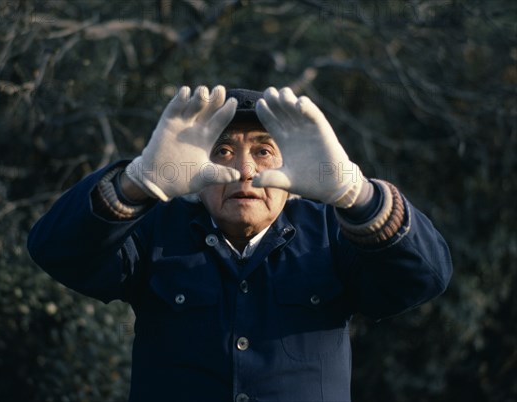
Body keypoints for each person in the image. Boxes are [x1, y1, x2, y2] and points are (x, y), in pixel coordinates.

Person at [28, 85, 453, 402]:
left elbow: (425, 278)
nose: (245, 170)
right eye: (223, 151)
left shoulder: (333, 234)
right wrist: (135, 183)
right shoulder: (158, 231)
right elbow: (56, 251)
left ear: (296, 167)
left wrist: (357, 195)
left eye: (265, 151)